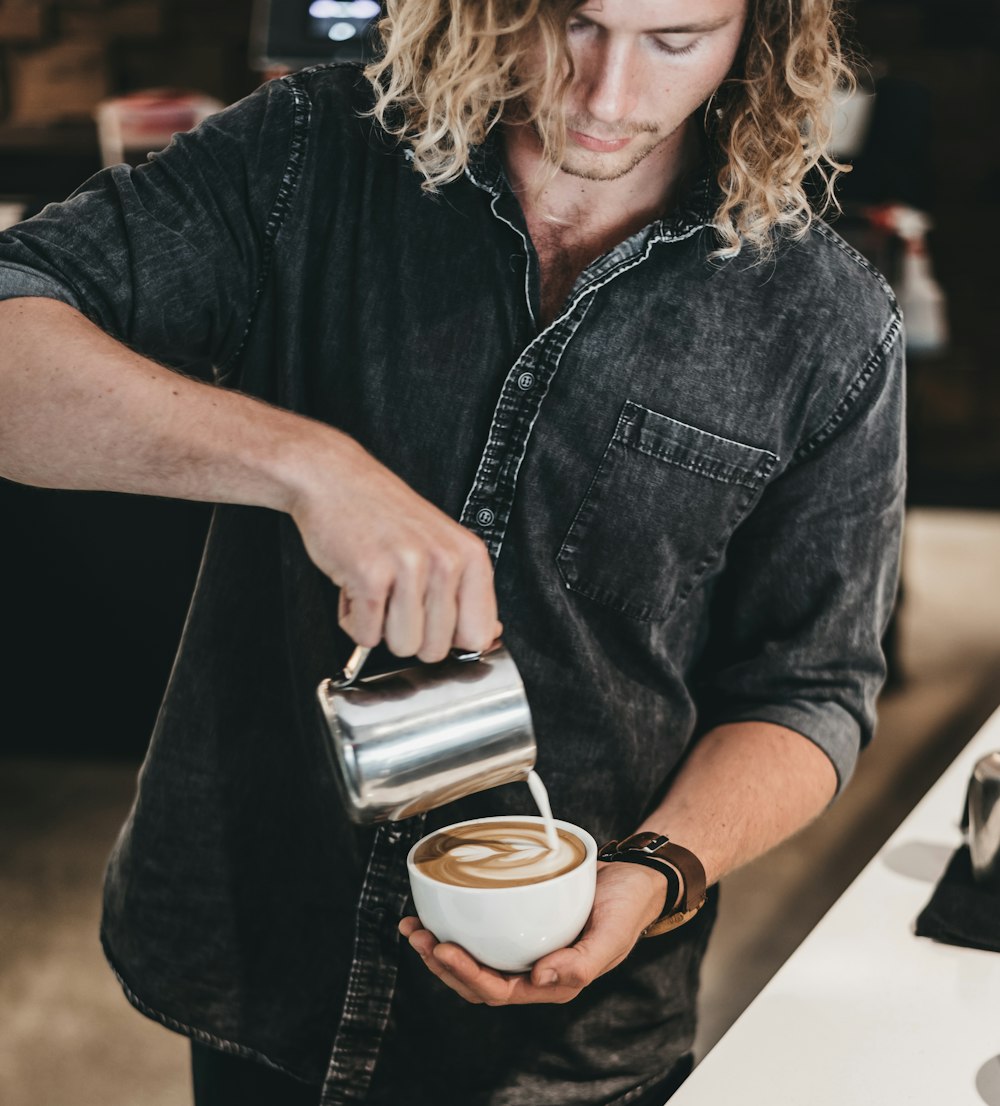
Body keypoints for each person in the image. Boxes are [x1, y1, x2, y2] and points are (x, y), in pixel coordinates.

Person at [0, 0, 905, 1103]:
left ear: (756, 35)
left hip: (573, 1036)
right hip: (269, 947)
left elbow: (808, 687)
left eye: (676, 41)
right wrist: (308, 466)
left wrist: (657, 871)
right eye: (574, 23)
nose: (608, 96)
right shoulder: (313, 154)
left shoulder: (823, 319)